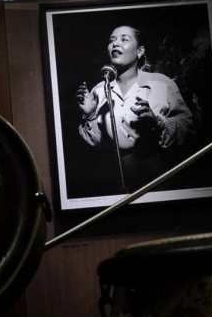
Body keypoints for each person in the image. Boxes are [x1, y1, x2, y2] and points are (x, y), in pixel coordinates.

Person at [76, 25, 195, 192]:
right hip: (116, 182)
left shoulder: (161, 83)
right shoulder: (98, 91)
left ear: (140, 51)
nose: (116, 44)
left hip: (160, 178)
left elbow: (188, 128)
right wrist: (89, 116)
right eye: (112, 41)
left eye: (124, 39)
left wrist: (157, 122)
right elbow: (94, 145)